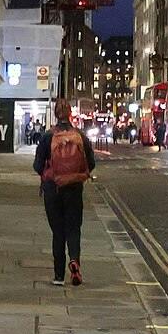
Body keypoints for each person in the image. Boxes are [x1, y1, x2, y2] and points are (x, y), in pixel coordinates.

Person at [34, 98, 97, 287]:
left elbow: (37, 165)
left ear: (55, 113)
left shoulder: (48, 136)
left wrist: (48, 172)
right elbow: (91, 163)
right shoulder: (79, 135)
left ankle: (59, 276)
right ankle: (75, 261)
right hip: (74, 189)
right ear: (70, 114)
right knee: (73, 228)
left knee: (58, 231)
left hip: (53, 188)